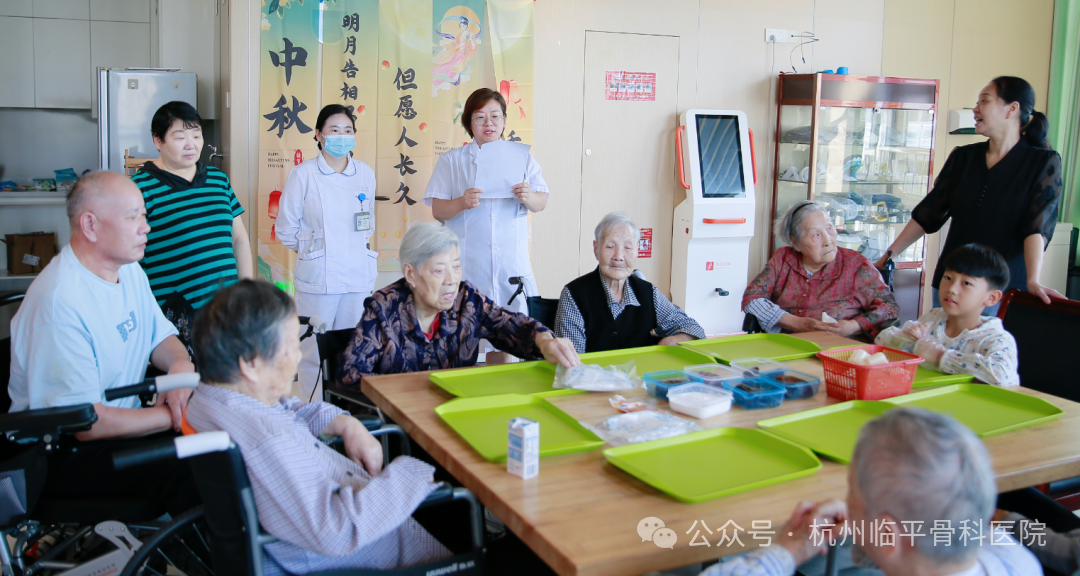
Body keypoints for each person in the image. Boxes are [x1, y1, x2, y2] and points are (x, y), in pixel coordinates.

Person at [185, 280, 450, 574]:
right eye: (290, 348)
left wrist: (347, 424)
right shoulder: (269, 441)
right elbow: (337, 530)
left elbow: (287, 408)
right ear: (250, 363)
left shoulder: (214, 399)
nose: (299, 356)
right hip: (373, 559)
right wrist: (410, 473)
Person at [8, 171, 200, 516]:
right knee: (195, 466)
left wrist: (180, 369)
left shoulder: (128, 270)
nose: (146, 227)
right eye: (132, 218)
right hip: (60, 453)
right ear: (90, 225)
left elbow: (161, 337)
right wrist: (174, 416)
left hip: (120, 425)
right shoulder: (60, 303)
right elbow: (88, 424)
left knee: (220, 438)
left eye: (144, 215)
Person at [700, 408, 1040, 576]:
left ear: (888, 535)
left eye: (852, 493)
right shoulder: (1016, 560)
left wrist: (786, 551)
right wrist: (864, 519)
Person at [876, 76, 1063, 312]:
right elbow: (927, 214)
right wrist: (886, 258)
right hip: (951, 283)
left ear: (1012, 109)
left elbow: (1037, 227)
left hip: (1001, 290)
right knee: (937, 336)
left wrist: (1033, 280)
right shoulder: (964, 157)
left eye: (984, 101)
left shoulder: (1043, 162)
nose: (975, 109)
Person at [338, 222, 578, 385]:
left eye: (456, 267)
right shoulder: (383, 308)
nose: (452, 280)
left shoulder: (466, 300)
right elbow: (351, 374)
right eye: (439, 270)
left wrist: (545, 341)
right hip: (399, 425)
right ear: (411, 273)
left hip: (454, 413)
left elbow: (508, 324)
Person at [424, 88, 549, 365]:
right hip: (470, 266)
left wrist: (528, 196)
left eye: (495, 116)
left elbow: (541, 202)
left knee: (508, 338)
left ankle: (500, 389)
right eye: (480, 117)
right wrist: (461, 202)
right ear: (469, 123)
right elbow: (437, 209)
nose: (488, 123)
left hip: (509, 267)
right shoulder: (452, 161)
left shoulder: (522, 157)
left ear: (504, 120)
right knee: (462, 339)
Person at [132, 101, 252, 352]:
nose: (191, 144)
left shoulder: (218, 180)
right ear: (158, 140)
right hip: (174, 318)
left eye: (196, 136)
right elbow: (130, 259)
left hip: (226, 311)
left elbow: (239, 239)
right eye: (180, 137)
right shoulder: (139, 188)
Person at [277, 104, 379, 399]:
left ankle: (348, 411)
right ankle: (313, 413)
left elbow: (367, 223)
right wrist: (314, 253)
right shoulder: (304, 174)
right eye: (334, 130)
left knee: (353, 350)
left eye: (348, 130)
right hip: (318, 280)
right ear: (319, 135)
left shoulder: (364, 173)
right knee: (313, 352)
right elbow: (286, 228)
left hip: (357, 278)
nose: (342, 136)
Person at [742, 201, 899, 340]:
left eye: (829, 228)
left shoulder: (856, 265)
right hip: (788, 346)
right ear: (795, 243)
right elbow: (752, 298)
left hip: (842, 349)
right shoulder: (783, 259)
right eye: (816, 234)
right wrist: (796, 323)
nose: (828, 241)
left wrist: (854, 326)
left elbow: (889, 307)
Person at [554, 212, 705, 353]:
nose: (619, 256)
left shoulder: (648, 293)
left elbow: (693, 328)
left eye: (627, 247)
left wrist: (675, 340)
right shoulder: (574, 295)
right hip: (592, 373)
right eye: (610, 246)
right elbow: (572, 360)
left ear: (637, 250)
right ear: (596, 249)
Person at [876, 244, 1019, 386]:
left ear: (991, 298)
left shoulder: (996, 339)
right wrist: (905, 338)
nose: (952, 289)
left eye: (966, 283)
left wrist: (940, 356)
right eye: (948, 278)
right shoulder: (934, 318)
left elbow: (1001, 376)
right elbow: (881, 341)